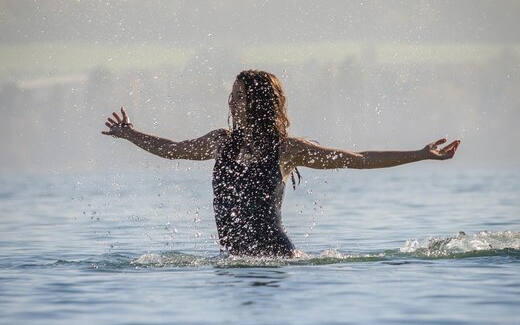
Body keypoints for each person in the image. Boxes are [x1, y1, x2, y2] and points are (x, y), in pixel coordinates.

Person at [102, 69, 460, 258]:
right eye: (232, 94)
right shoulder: (219, 141)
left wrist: (421, 153)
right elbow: (174, 149)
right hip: (235, 262)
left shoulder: (287, 150)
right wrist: (131, 134)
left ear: (257, 102)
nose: (231, 101)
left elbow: (358, 160)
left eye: (239, 96)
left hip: (278, 258)